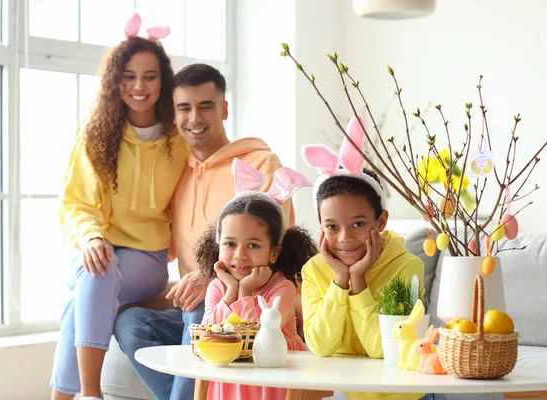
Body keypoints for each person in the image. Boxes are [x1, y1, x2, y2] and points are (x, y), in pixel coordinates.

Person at [113, 64, 295, 400]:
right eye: (184, 107)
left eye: (205, 106)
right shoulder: (174, 173)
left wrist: (210, 278)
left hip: (252, 310)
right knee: (131, 322)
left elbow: (275, 250)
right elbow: (151, 243)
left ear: (224, 109)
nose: (194, 117)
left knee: (200, 312)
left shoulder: (261, 163)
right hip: (196, 309)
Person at [50, 14, 187, 400]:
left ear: (164, 81)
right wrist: (92, 236)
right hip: (97, 248)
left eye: (149, 76)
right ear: (116, 81)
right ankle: (90, 396)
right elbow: (74, 201)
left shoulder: (179, 140)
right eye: (128, 76)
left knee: (94, 278)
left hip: (147, 256)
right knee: (95, 273)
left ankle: (77, 396)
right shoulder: (95, 134)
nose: (138, 86)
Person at [300, 129, 437, 400]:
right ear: (320, 227)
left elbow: (385, 350)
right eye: (331, 226)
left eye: (358, 224)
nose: (345, 238)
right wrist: (340, 280)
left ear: (381, 222)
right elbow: (320, 346)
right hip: (348, 392)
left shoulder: (407, 267)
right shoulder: (314, 270)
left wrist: (358, 281)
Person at [195, 158, 316, 399]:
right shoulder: (218, 287)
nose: (239, 255)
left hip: (275, 375)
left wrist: (246, 291)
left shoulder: (282, 288)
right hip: (230, 374)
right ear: (218, 244)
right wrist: (231, 289)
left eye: (252, 245)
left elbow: (257, 337)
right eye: (230, 244)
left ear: (274, 252)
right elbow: (211, 334)